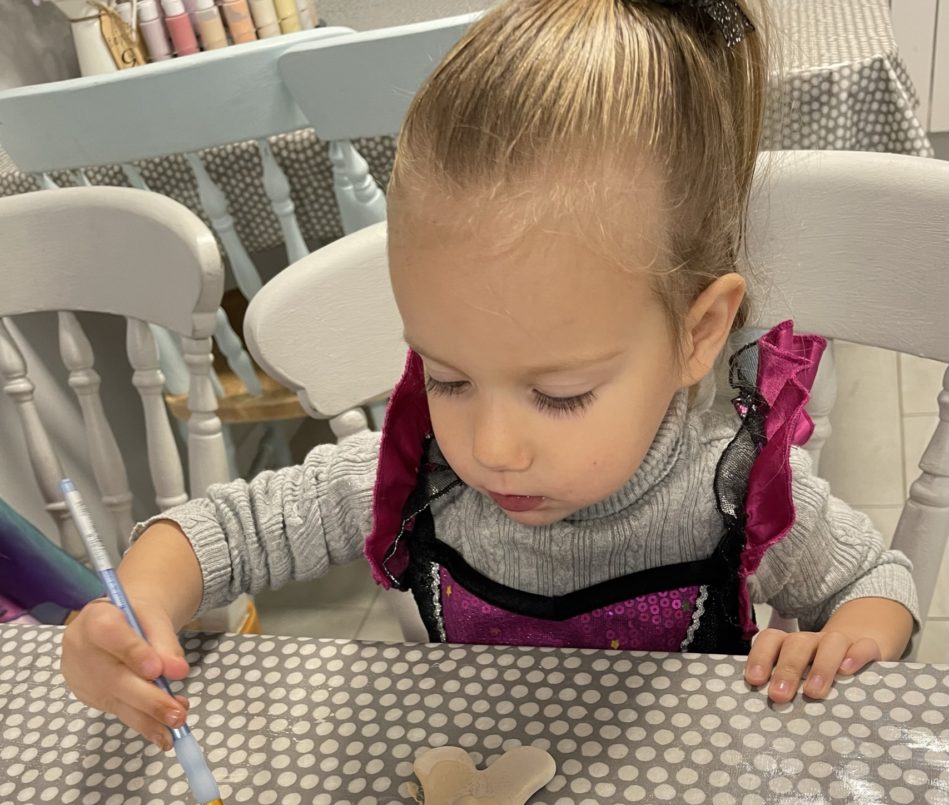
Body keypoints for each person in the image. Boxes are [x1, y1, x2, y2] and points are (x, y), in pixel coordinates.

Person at [61, 0, 916, 751]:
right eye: (447, 376)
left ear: (698, 334)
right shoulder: (417, 476)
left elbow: (877, 584)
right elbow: (224, 530)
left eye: (560, 394)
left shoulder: (737, 487)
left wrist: (839, 641)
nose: (492, 447)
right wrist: (134, 613)